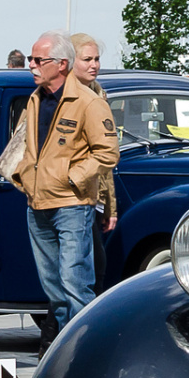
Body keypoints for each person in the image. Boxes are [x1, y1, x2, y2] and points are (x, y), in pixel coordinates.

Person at [10, 30, 116, 352]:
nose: (31, 65)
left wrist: (73, 179)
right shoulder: (35, 99)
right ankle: (64, 352)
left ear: (61, 64)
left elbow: (108, 152)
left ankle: (88, 352)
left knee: (75, 284)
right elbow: (22, 146)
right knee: (54, 288)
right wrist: (23, 177)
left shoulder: (89, 102)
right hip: (37, 204)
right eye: (31, 59)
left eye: (38, 60)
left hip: (72, 205)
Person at [68, 33, 115, 288]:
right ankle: (58, 329)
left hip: (93, 197)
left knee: (95, 269)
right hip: (70, 196)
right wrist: (70, 178)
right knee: (78, 272)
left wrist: (110, 207)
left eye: (97, 59)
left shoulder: (99, 95)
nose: (94, 65)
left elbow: (106, 154)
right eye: (87, 59)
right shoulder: (60, 97)